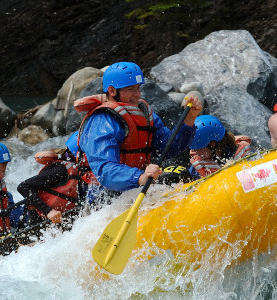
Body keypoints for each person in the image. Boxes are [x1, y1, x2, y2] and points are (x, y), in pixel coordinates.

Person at [73, 61, 202, 201]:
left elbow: (170, 148)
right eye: (130, 89)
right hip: (103, 197)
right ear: (111, 91)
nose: (137, 94)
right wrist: (139, 177)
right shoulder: (103, 121)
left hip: (137, 187)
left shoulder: (143, 114)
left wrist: (189, 120)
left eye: (138, 88)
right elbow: (105, 170)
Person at [13, 144, 83, 230]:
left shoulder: (80, 171)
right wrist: (49, 211)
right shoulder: (60, 170)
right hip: (40, 224)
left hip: (57, 224)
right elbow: (23, 187)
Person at [188, 115, 253, 178]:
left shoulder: (243, 152)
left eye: (197, 147)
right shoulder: (199, 164)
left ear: (212, 144)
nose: (194, 151)